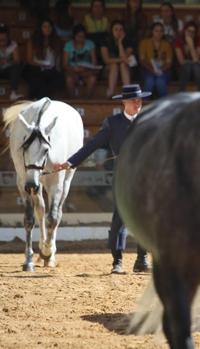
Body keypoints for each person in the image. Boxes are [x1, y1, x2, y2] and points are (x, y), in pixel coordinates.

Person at [53, 84, 152, 274]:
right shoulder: (112, 123)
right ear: (124, 102)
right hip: (123, 176)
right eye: (133, 100)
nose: (137, 103)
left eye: (139, 100)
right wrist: (70, 162)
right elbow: (92, 146)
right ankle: (117, 261)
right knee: (120, 218)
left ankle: (142, 259)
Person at [25, 18, 64, 99]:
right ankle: (39, 100)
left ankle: (41, 100)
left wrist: (56, 67)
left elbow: (58, 59)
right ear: (40, 28)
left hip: (51, 69)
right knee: (38, 79)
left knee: (57, 78)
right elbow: (29, 60)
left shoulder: (57, 40)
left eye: (49, 27)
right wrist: (42, 64)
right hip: (36, 68)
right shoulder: (33, 40)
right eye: (44, 27)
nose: (47, 29)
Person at [101, 20, 134, 98]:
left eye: (121, 29)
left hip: (126, 69)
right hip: (109, 70)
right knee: (114, 65)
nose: (118, 32)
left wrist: (120, 43)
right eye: (116, 29)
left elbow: (126, 59)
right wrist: (121, 60)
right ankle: (111, 92)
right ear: (111, 31)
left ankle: (128, 92)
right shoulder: (105, 41)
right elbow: (106, 60)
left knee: (122, 65)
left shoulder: (129, 41)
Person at [63, 24, 98, 98]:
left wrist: (86, 69)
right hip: (72, 71)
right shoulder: (68, 45)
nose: (81, 39)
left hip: (86, 71)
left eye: (83, 37)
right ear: (74, 36)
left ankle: (86, 101)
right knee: (69, 79)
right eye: (79, 36)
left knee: (92, 78)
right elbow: (65, 64)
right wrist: (73, 69)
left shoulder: (90, 44)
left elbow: (94, 62)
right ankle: (73, 101)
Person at [139, 22, 172, 98]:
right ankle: (144, 106)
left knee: (160, 81)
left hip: (163, 71)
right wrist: (152, 70)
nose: (159, 33)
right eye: (156, 31)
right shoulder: (144, 43)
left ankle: (164, 106)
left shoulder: (167, 44)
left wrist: (160, 70)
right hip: (147, 70)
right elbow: (142, 60)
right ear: (152, 32)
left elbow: (169, 62)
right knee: (149, 81)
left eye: (161, 31)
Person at [175, 21, 200, 92]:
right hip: (183, 70)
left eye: (193, 32)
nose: (190, 34)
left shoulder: (199, 41)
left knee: (195, 67)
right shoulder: (178, 41)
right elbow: (181, 62)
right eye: (188, 31)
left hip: (197, 71)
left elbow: (195, 59)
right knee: (189, 66)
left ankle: (182, 92)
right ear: (184, 30)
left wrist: (191, 44)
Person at [0, 24, 23, 101]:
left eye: (4, 35)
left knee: (17, 67)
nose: (2, 37)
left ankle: (13, 93)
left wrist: (7, 61)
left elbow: (17, 60)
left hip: (8, 70)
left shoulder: (13, 44)